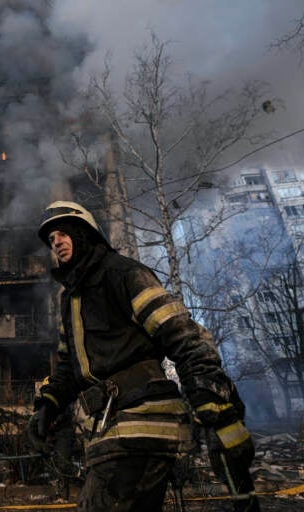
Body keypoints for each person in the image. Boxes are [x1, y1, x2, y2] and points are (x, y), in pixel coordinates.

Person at [27, 201, 259, 512]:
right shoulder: (71, 299)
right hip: (111, 426)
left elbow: (182, 334)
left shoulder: (123, 273)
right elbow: (71, 365)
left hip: (144, 421)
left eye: (62, 234)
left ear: (83, 234)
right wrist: (49, 403)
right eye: (51, 239)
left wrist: (211, 402)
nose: (55, 242)